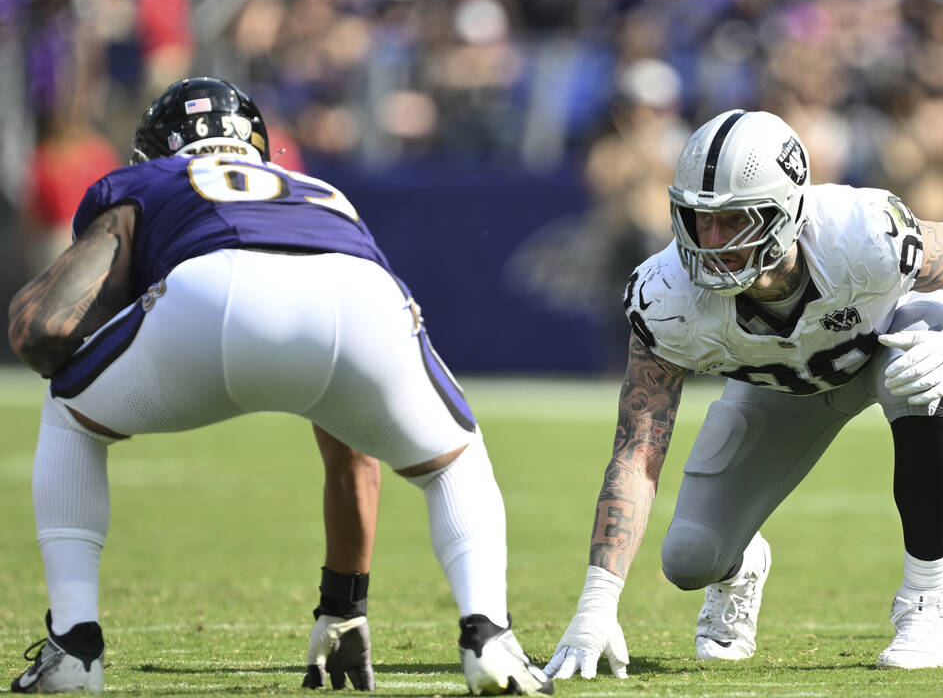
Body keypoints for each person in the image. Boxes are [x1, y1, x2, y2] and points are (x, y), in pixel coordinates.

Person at [7, 77, 553, 697]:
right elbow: (352, 451)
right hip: (362, 297)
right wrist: (343, 604)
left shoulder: (145, 182)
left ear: (155, 151)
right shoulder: (321, 193)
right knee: (454, 459)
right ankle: (490, 636)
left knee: (70, 413)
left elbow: (45, 330)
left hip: (210, 290)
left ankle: (73, 647)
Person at [544, 110, 943, 679]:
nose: (712, 242)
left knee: (914, 363)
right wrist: (597, 604)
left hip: (883, 352)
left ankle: (927, 601)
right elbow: (636, 453)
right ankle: (743, 565)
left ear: (786, 213)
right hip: (782, 391)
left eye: (735, 221)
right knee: (690, 558)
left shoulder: (862, 231)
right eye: (699, 220)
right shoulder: (665, 294)